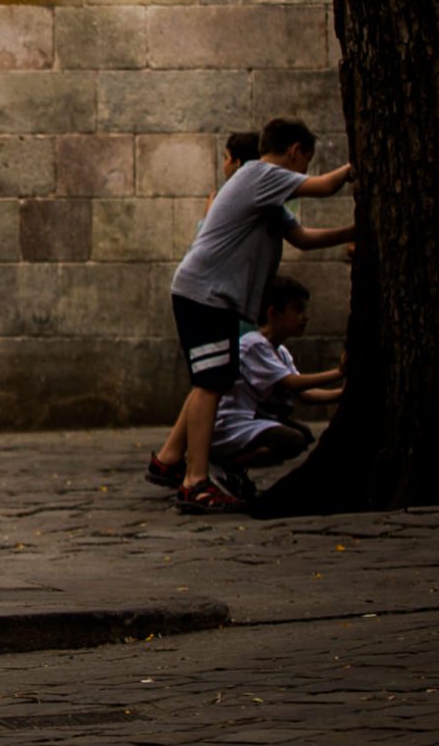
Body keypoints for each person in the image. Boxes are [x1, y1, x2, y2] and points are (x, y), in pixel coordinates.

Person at [149, 116, 355, 514]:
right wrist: (357, 166)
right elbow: (325, 186)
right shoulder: (262, 175)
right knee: (210, 383)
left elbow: (303, 239)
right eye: (306, 161)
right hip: (205, 293)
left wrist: (354, 232)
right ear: (295, 151)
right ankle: (194, 480)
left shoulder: (264, 193)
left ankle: (172, 460)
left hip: (214, 297)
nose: (304, 171)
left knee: (213, 379)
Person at [209, 275, 340, 488]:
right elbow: (293, 384)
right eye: (297, 310)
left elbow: (305, 394)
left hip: (252, 420)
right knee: (291, 440)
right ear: (273, 313)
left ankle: (233, 466)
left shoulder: (280, 351)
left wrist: (342, 393)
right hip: (232, 424)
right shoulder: (254, 345)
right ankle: (225, 465)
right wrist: (339, 372)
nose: (305, 317)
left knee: (304, 436)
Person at [207, 130, 259, 216]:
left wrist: (210, 210)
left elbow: (210, 228)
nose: (224, 165)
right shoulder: (265, 191)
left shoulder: (229, 197)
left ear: (237, 163)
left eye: (226, 158)